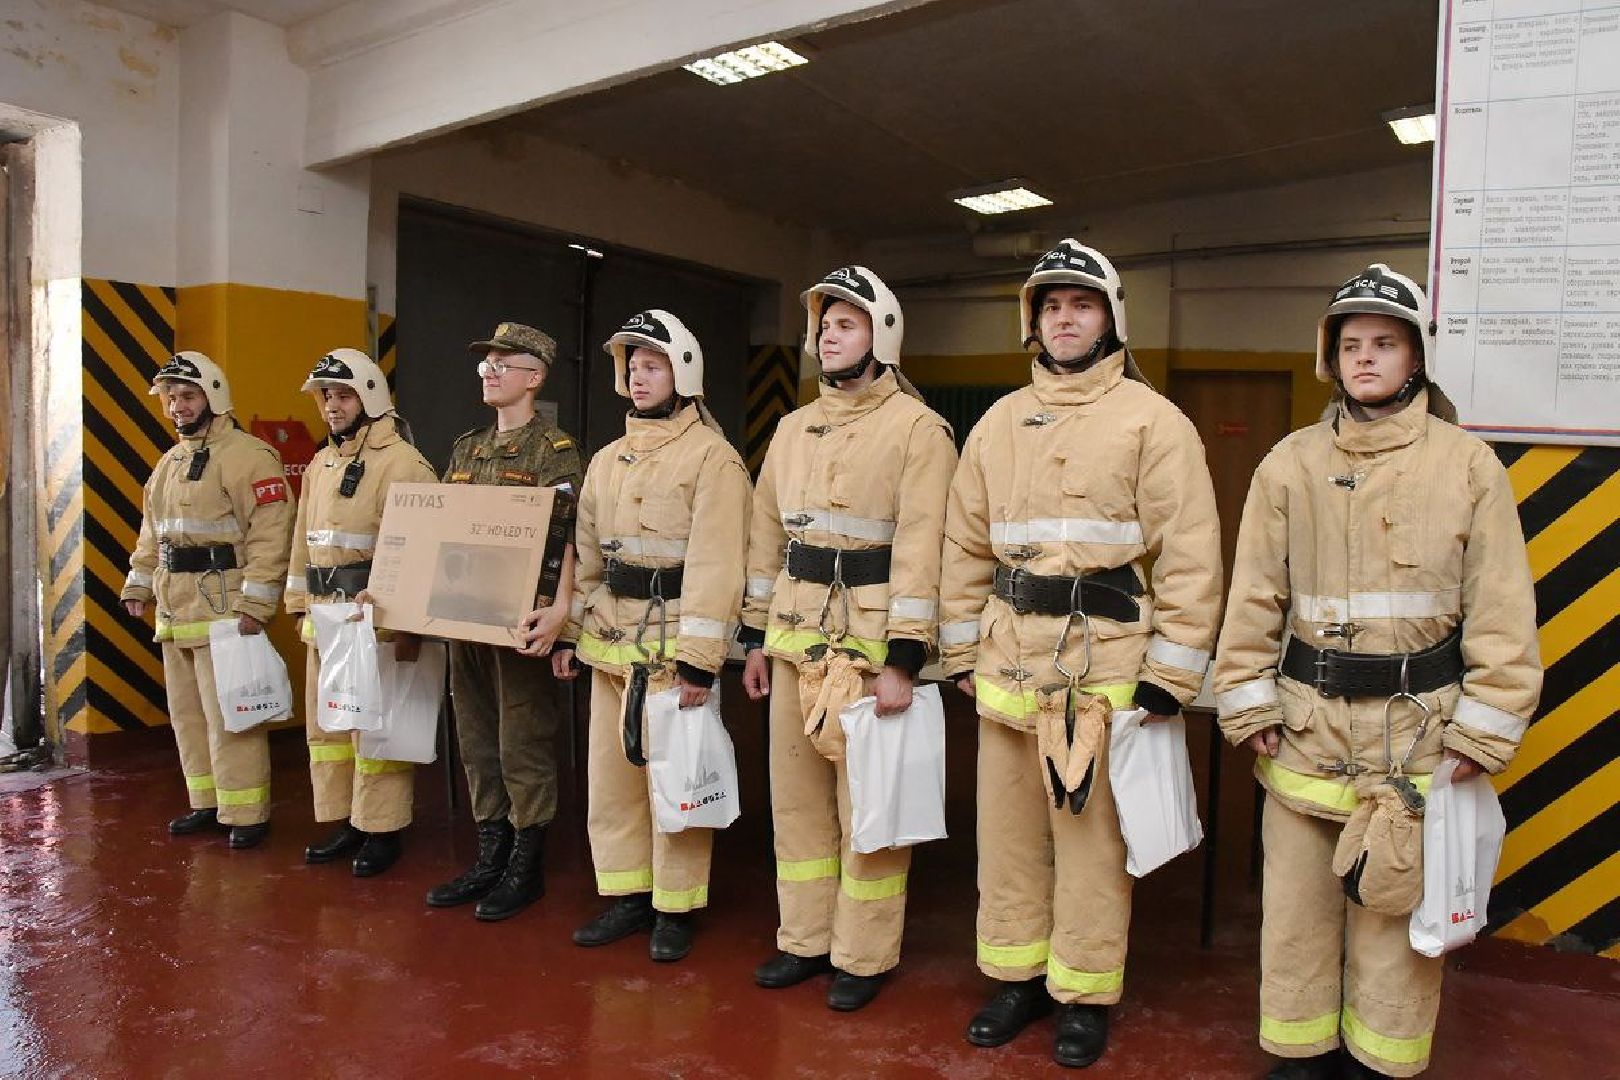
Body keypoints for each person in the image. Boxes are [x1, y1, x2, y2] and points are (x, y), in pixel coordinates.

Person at [1212, 264, 1541, 1079]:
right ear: (1330, 358)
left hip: (1416, 740)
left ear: (1416, 357)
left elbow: (1500, 610)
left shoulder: (1468, 467)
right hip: (1304, 729)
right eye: (1351, 344)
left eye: (1384, 344)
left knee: (1392, 910)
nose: (1366, 359)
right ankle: (1299, 1051)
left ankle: (1381, 1058)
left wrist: (1484, 729)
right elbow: (1254, 590)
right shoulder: (1289, 464)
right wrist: (1248, 703)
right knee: (1293, 910)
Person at [938, 239, 1223, 1068]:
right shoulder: (997, 422)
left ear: (1111, 318)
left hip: (1100, 671)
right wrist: (960, 648)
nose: (1065, 319)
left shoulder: (1154, 421)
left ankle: (1085, 992)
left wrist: (1171, 674)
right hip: (1006, 661)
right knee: (1009, 837)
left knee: (1091, 842)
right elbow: (962, 544)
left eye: (1081, 305)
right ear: (1034, 322)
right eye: (1051, 306)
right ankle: (1017, 977)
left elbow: (1191, 556)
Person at [741, 265, 957, 1011]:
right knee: (797, 805)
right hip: (797, 642)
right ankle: (803, 940)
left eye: (847, 324)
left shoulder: (919, 432)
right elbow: (765, 538)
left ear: (882, 336)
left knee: (870, 812)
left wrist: (905, 660)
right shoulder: (792, 429)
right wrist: (756, 641)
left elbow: (925, 550)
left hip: (869, 655)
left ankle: (863, 953)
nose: (829, 336)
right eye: (825, 325)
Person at [549, 309, 751, 962]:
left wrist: (698, 662)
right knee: (613, 783)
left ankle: (677, 906)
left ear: (683, 371)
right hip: (611, 647)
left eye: (653, 365)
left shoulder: (713, 460)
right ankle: (629, 895)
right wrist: (572, 635)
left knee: (676, 779)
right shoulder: (608, 460)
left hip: (673, 656)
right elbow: (583, 551)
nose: (639, 376)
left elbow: (721, 563)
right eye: (632, 366)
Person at [425, 322, 583, 922]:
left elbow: (567, 537)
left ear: (533, 378)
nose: (488, 373)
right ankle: (489, 851)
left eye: (502, 364)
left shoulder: (556, 451)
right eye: (484, 364)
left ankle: (527, 859)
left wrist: (561, 615)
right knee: (475, 735)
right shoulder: (467, 448)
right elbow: (443, 526)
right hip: (467, 616)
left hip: (521, 619)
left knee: (523, 738)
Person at [122, 351, 296, 849]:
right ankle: (207, 802)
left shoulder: (251, 457)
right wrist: (139, 583)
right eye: (171, 397)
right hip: (175, 609)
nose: (177, 405)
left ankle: (247, 812)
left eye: (188, 395)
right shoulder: (170, 463)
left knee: (232, 716)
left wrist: (255, 605)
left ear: (213, 397)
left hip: (224, 610)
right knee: (189, 716)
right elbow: (152, 533)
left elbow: (270, 536)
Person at [283, 349, 437, 877]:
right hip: (325, 618)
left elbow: (421, 549)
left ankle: (383, 827)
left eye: (342, 395)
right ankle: (347, 818)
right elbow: (302, 537)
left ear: (369, 397)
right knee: (330, 731)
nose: (331, 405)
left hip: (375, 621)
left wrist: (406, 624)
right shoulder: (323, 463)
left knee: (375, 731)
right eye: (325, 396)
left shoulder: (405, 465)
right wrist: (299, 604)